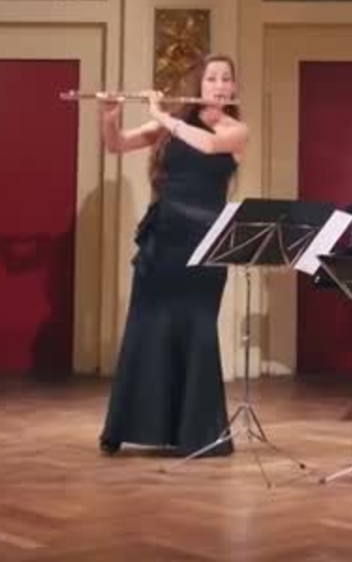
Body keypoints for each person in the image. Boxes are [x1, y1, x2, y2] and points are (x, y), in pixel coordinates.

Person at [97, 54, 248, 457]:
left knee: (196, 330)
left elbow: (208, 144)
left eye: (226, 79)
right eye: (212, 78)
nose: (219, 85)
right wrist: (109, 116)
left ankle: (195, 433)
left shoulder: (235, 131)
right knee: (147, 327)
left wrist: (162, 116)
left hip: (205, 244)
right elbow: (116, 144)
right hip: (163, 239)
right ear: (200, 84)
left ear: (234, 88)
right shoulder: (171, 125)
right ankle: (125, 426)